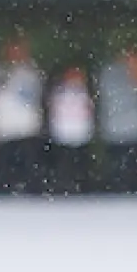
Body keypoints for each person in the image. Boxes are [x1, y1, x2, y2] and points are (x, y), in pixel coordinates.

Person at [0, 36, 45, 194]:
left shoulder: (31, 71)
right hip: (2, 127)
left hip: (26, 127)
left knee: (28, 167)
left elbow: (36, 96)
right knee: (3, 168)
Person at [97, 46, 137, 192]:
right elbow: (113, 99)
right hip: (117, 136)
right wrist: (135, 83)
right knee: (119, 179)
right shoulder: (112, 75)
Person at [45, 64, 93, 195]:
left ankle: (81, 189)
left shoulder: (85, 91)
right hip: (63, 134)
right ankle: (64, 189)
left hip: (81, 135)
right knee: (64, 166)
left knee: (80, 166)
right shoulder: (59, 91)